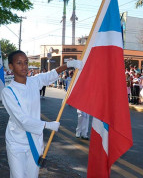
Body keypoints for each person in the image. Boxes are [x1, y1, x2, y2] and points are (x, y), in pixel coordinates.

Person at [1, 50, 82, 178]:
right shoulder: (8, 92)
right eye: (19, 63)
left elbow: (51, 75)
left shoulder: (34, 82)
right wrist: (46, 125)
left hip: (35, 140)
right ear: (10, 66)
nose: (24, 66)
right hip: (16, 143)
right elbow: (21, 120)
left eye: (26, 63)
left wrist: (69, 65)